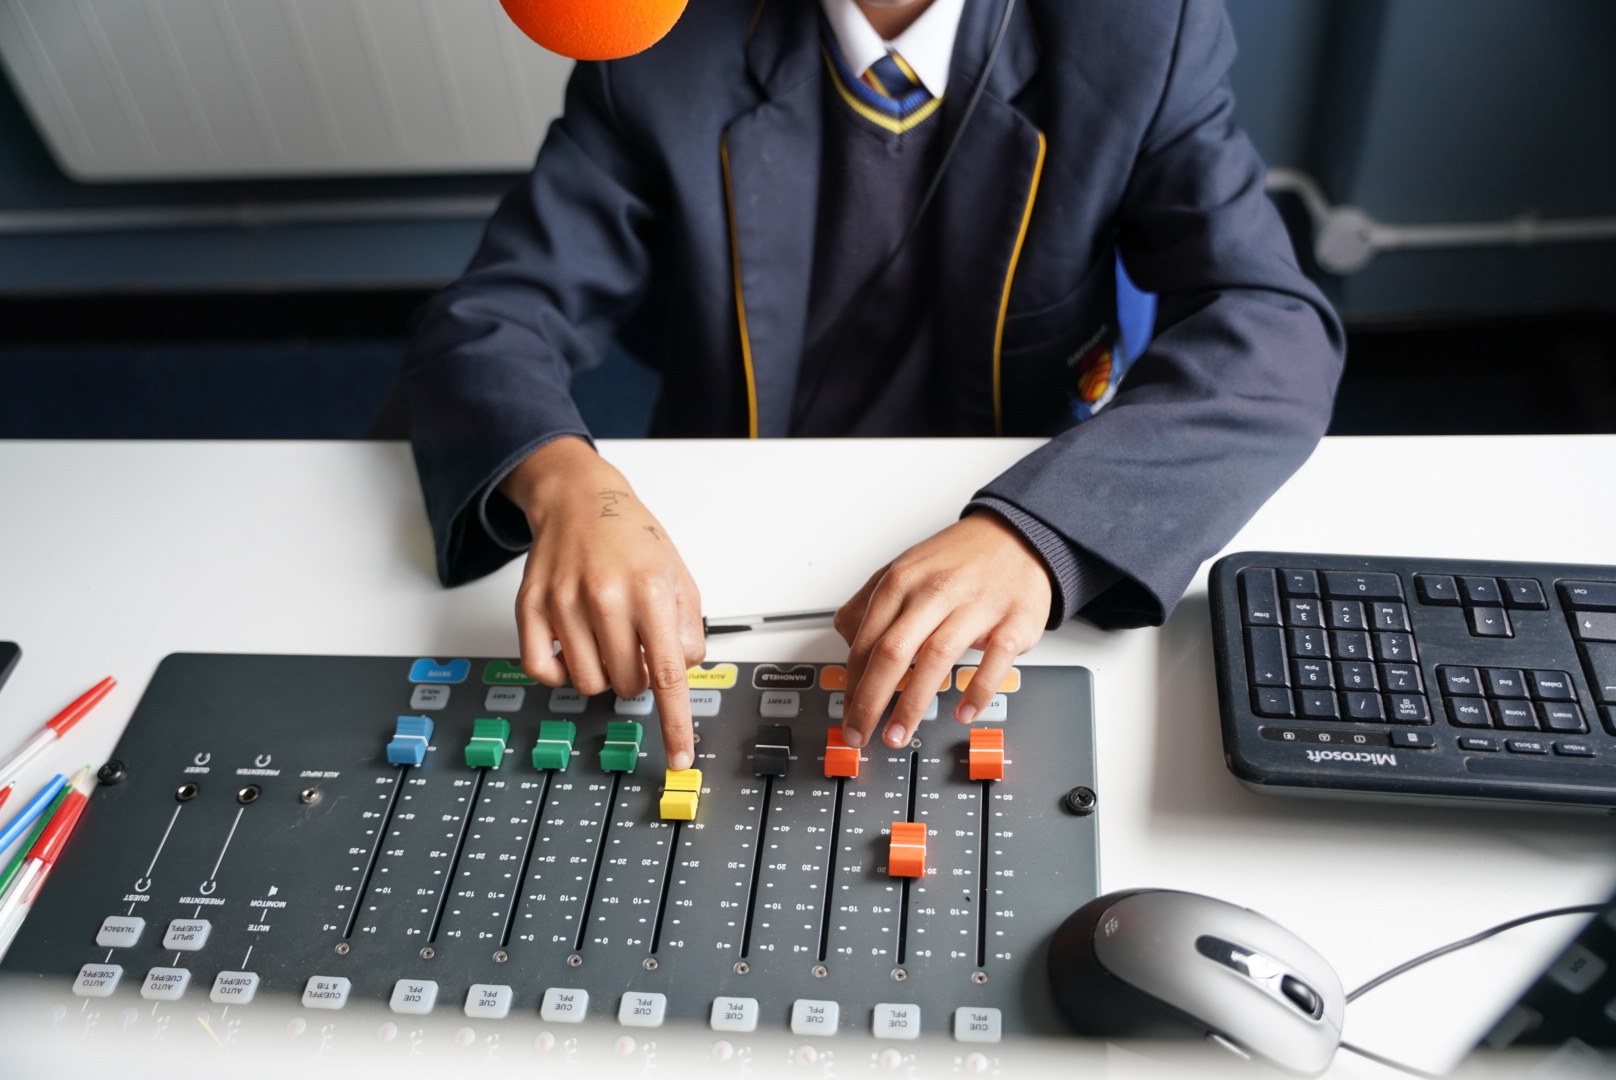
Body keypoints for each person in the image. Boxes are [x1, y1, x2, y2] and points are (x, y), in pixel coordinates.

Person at [399, 0, 1345, 772]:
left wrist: (1041, 533)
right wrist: (567, 485)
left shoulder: (1139, 28)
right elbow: (489, 321)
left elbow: (1273, 324)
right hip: (731, 532)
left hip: (1010, 512)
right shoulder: (657, 48)